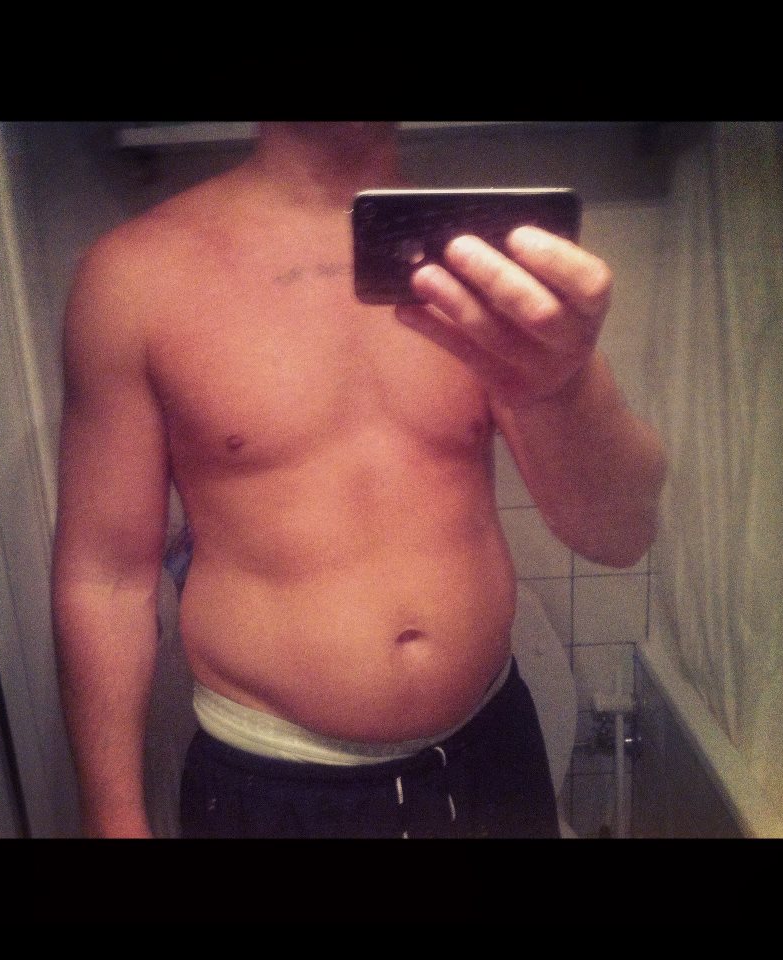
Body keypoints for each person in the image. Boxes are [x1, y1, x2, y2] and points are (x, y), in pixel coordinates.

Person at [51, 122, 667, 839]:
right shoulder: (134, 276)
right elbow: (105, 579)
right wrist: (112, 819)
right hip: (274, 787)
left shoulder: (481, 262)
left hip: (493, 755)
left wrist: (564, 386)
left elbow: (619, 535)